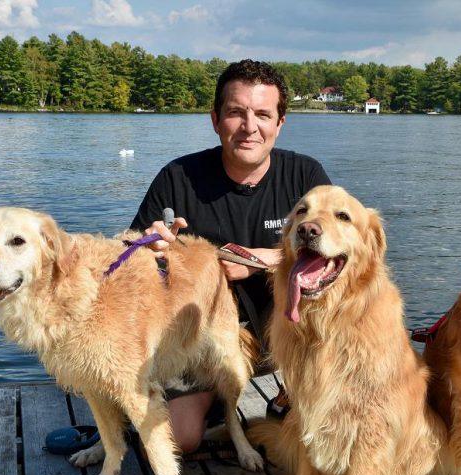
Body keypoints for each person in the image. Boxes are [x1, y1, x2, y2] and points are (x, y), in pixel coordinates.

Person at [130, 59, 331, 453]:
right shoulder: (178, 177)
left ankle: (289, 392)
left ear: (280, 123)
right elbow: (127, 263)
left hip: (286, 336)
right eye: (236, 112)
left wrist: (262, 259)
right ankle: (214, 404)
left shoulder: (306, 177)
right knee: (179, 440)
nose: (249, 126)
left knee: (319, 432)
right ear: (215, 119)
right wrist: (146, 248)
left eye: (262, 114)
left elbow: (339, 258)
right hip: (201, 340)